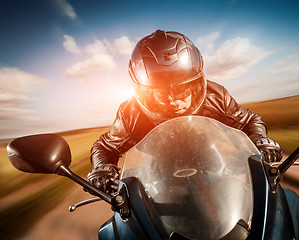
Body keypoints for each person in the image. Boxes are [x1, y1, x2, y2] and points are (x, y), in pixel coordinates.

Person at [86, 30, 282, 195]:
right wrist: (103, 169)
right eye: (161, 92)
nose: (173, 99)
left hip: (215, 167)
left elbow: (250, 120)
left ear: (197, 83)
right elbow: (104, 147)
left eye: (182, 89)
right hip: (156, 180)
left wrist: (259, 140)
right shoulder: (131, 113)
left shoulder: (216, 97)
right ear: (144, 92)